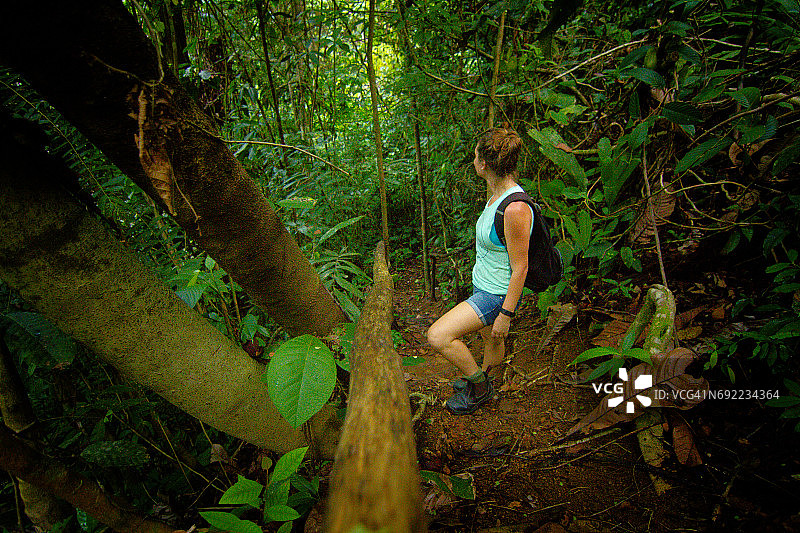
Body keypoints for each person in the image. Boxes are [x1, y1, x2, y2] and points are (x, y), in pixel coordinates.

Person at [427, 127, 532, 415]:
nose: (473, 159)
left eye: (475, 155)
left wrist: (506, 315)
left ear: (483, 163)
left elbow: (521, 266)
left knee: (438, 336)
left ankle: (480, 386)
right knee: (489, 338)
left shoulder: (515, 208)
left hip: (495, 294)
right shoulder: (496, 195)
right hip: (484, 285)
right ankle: (484, 381)